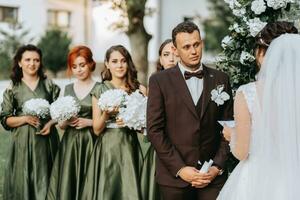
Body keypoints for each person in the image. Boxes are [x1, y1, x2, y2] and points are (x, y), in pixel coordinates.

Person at [147, 21, 233, 200]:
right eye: (186, 47)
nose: (194, 51)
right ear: (176, 50)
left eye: (196, 44)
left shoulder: (221, 79)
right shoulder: (159, 81)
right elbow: (154, 131)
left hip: (212, 178)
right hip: (174, 179)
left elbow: (229, 129)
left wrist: (216, 167)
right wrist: (180, 169)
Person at [217, 22, 300, 200]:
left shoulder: (248, 93)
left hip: (257, 179)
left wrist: (231, 134)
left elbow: (242, 151)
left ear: (262, 54)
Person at [80, 45, 147, 200]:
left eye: (123, 61)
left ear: (128, 63)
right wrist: (106, 114)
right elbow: (96, 129)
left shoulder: (139, 89)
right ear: (107, 64)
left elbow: (145, 127)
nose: (119, 65)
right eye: (115, 61)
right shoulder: (100, 89)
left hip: (129, 147)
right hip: (107, 148)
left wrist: (132, 122)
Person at [0, 44, 60, 200]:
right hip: (22, 143)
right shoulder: (13, 87)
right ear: (19, 62)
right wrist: (24, 118)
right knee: (23, 181)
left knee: (47, 182)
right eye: (27, 60)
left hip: (46, 141)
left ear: (40, 63)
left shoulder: (49, 85)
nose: (32, 64)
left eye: (36, 60)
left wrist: (51, 123)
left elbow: (60, 112)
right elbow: (5, 119)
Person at [46, 46, 100, 200]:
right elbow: (61, 125)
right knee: (69, 179)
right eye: (74, 67)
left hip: (91, 141)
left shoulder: (99, 87)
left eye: (82, 65)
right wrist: (66, 120)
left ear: (90, 64)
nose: (79, 70)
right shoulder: (67, 89)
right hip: (70, 143)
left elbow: (105, 120)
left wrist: (89, 122)